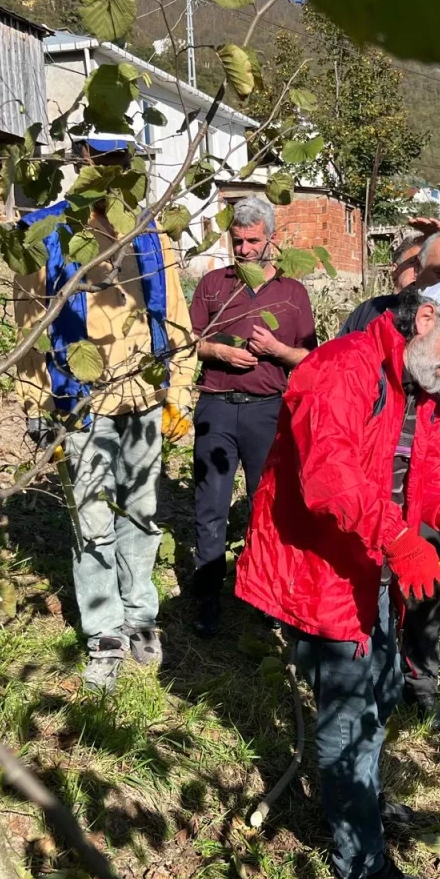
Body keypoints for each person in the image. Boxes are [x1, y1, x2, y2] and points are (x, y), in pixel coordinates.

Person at [234, 278, 440, 879]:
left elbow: (435, 476)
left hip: (371, 571)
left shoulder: (413, 390)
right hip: (324, 576)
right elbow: (330, 480)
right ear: (426, 317)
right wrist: (401, 540)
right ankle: (363, 871)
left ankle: (368, 805)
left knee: (380, 695)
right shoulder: (341, 370)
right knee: (348, 720)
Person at [13, 133, 195, 695]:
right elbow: (28, 324)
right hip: (80, 402)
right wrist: (36, 401)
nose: (113, 172)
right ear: (82, 163)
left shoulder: (150, 233)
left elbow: (178, 314)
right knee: (92, 519)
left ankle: (141, 616)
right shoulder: (48, 231)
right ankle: (104, 633)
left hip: (141, 397)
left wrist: (179, 389)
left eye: (123, 162)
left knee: (140, 513)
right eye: (102, 161)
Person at [339, 220, 440, 726]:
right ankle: (360, 667)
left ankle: (418, 678)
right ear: (413, 271)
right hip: (375, 472)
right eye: (437, 272)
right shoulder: (371, 316)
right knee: (376, 566)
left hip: (438, 461)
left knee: (429, 573)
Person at [188, 195, 316, 637]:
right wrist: (217, 350)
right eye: (237, 240)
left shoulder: (293, 293)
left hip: (268, 413)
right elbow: (189, 342)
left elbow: (310, 361)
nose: (243, 250)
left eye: (252, 241)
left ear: (272, 239)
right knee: (210, 506)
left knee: (271, 508)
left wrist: (277, 351)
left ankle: (268, 596)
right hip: (216, 407)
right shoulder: (213, 283)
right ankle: (207, 596)